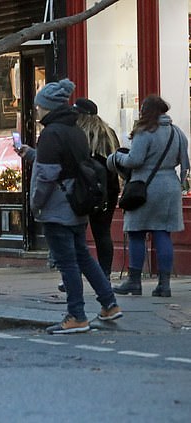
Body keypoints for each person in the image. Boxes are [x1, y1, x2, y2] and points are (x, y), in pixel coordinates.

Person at [17, 78, 122, 334]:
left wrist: (35, 204)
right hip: (77, 204)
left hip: (57, 207)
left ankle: (76, 314)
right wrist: (32, 153)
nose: (37, 111)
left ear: (49, 108)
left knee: (68, 263)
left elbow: (46, 175)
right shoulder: (75, 130)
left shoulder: (51, 133)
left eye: (39, 106)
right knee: (83, 257)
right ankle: (109, 303)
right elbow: (67, 164)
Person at [107, 95, 189, 297]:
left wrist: (117, 156)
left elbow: (135, 160)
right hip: (170, 186)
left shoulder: (145, 132)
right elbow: (185, 163)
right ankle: (164, 284)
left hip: (145, 186)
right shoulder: (177, 132)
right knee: (163, 233)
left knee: (136, 232)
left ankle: (134, 281)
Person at [56, 98, 121, 292]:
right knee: (103, 234)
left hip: (82, 189)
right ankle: (105, 276)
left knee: (77, 234)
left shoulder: (78, 133)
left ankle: (71, 277)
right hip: (107, 189)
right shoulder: (108, 133)